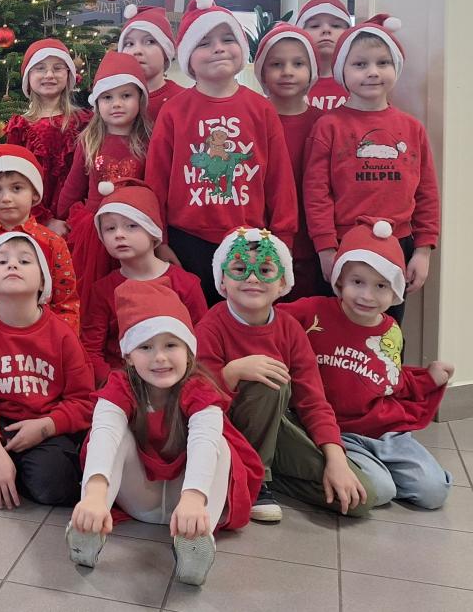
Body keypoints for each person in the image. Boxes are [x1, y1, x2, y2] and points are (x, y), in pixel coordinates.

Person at [65, 280, 264, 587]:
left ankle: (195, 541)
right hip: (140, 495)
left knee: (219, 444)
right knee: (114, 433)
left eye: (171, 345)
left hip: (187, 506)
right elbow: (105, 432)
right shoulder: (121, 385)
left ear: (189, 351)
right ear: (129, 356)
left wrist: (194, 499)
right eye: (145, 347)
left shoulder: (199, 388)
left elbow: (204, 440)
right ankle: (92, 521)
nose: (159, 357)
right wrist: (94, 494)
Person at [195, 226, 374, 523]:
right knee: (269, 380)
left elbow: (313, 401)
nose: (252, 278)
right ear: (222, 281)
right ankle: (253, 482)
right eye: (239, 269)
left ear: (282, 283)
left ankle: (265, 476)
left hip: (277, 430)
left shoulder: (290, 328)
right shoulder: (210, 327)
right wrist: (232, 372)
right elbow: (198, 400)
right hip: (226, 435)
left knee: (360, 498)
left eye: (265, 270)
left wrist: (336, 459)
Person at [283, 220, 452, 509]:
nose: (367, 296)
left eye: (381, 286)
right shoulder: (312, 311)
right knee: (379, 489)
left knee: (434, 492)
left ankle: (382, 468)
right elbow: (269, 321)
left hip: (386, 431)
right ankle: (365, 471)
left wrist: (429, 379)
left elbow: (391, 380)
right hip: (338, 431)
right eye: (357, 282)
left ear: (395, 291)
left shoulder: (391, 330)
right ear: (340, 281)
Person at [144, 0, 297, 305]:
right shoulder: (174, 111)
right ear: (188, 57)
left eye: (227, 39)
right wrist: (159, 240)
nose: (218, 48)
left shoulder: (261, 109)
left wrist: (283, 238)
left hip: (249, 241)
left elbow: (280, 179)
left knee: (245, 320)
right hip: (187, 241)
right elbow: (156, 180)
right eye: (204, 42)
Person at [303, 13, 439, 324]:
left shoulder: (413, 128)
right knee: (335, 330)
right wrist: (325, 248)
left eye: (382, 63)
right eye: (360, 64)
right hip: (343, 244)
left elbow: (427, 192)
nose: (373, 72)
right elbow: (316, 192)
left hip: (398, 244)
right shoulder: (328, 126)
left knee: (386, 332)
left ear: (396, 68)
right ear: (343, 70)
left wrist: (423, 250)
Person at [0, 232, 94, 509]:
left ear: (42, 281)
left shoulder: (62, 335)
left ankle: (20, 471)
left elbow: (84, 401)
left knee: (53, 484)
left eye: (25, 261)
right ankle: (0, 463)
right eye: (2, 261)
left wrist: (46, 427)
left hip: (44, 424)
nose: (13, 265)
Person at [80, 179, 207, 385]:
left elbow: (201, 342)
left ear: (152, 230)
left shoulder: (186, 284)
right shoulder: (103, 290)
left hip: (175, 380)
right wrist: (117, 385)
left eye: (131, 226)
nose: (119, 234)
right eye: (110, 228)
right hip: (122, 384)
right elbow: (91, 350)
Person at [0, 145, 79, 338]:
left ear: (34, 193)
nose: (6, 198)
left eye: (17, 188)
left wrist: (65, 345)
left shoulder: (53, 242)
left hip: (41, 341)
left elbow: (66, 303)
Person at [57, 51, 152, 291]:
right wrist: (60, 217)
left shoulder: (148, 141)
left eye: (126, 96)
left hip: (135, 226)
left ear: (140, 98)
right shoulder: (89, 141)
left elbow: (155, 187)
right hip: (95, 227)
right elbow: (73, 185)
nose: (116, 103)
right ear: (97, 102)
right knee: (95, 285)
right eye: (107, 97)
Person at [252, 24, 325, 299]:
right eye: (276, 64)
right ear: (262, 72)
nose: (287, 72)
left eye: (298, 63)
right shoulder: (251, 120)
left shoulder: (324, 123)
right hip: (261, 242)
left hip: (313, 244)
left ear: (312, 71)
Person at [6, 38, 90, 236]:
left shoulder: (84, 121)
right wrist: (45, 219)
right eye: (40, 68)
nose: (49, 75)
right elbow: (14, 180)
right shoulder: (20, 127)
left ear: (68, 75)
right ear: (29, 77)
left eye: (57, 68)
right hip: (34, 222)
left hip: (78, 220)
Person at [118, 4, 185, 121]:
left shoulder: (183, 99)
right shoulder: (114, 100)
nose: (137, 51)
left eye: (149, 42)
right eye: (129, 44)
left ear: (166, 52)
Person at [292, 0, 352, 111]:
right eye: (315, 26)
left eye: (336, 25)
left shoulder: (358, 82)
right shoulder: (289, 82)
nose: (326, 30)